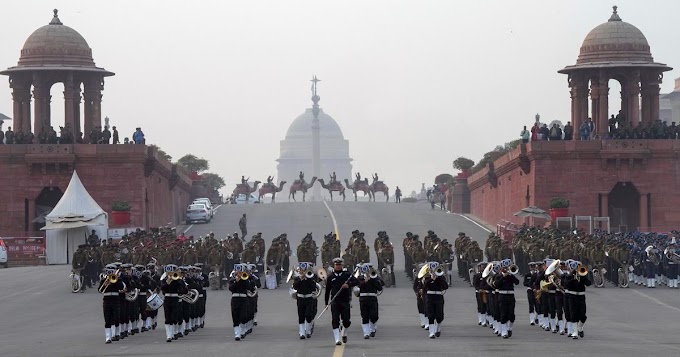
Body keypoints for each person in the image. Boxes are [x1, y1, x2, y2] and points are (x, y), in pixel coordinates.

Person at [325, 257, 359, 345]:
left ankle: (344, 333)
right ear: (334, 266)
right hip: (335, 301)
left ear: (342, 265)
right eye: (336, 265)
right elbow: (327, 291)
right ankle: (337, 339)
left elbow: (356, 281)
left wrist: (348, 285)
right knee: (335, 320)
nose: (338, 266)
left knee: (346, 321)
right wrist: (326, 303)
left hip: (345, 300)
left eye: (339, 265)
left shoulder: (347, 275)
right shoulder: (330, 277)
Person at [100, 264, 125, 343]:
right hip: (107, 301)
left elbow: (121, 287)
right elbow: (100, 290)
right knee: (107, 319)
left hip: (115, 300)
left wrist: (116, 281)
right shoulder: (103, 280)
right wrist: (106, 284)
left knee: (116, 318)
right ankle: (108, 337)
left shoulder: (118, 279)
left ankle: (116, 334)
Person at [357, 263, 383, 339]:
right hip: (363, 299)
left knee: (374, 316)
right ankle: (366, 333)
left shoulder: (374, 278)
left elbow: (380, 288)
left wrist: (373, 279)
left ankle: (372, 329)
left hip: (372, 298)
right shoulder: (360, 278)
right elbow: (358, 286)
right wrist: (365, 281)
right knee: (364, 316)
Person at [292, 262, 318, 339]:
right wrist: (301, 278)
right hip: (300, 298)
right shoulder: (297, 278)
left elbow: (313, 288)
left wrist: (308, 279)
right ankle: (302, 332)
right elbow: (295, 287)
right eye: (301, 270)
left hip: (309, 298)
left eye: (304, 270)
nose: (302, 271)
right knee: (301, 315)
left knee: (309, 315)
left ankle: (308, 330)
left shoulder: (311, 278)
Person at [494, 262, 519, 338]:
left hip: (511, 296)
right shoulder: (498, 276)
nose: (506, 269)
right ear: (501, 268)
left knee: (511, 314)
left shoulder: (511, 276)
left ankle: (509, 328)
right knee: (503, 314)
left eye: (507, 268)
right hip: (502, 296)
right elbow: (497, 284)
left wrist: (511, 275)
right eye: (504, 268)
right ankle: (504, 332)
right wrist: (503, 276)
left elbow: (517, 282)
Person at [423, 262, 448, 338]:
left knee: (439, 315)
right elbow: (425, 287)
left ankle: (438, 329)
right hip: (430, 297)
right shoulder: (427, 278)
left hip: (438, 297)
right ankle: (431, 332)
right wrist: (431, 279)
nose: (434, 271)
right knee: (431, 315)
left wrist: (438, 279)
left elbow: (445, 286)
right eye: (432, 270)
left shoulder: (441, 278)